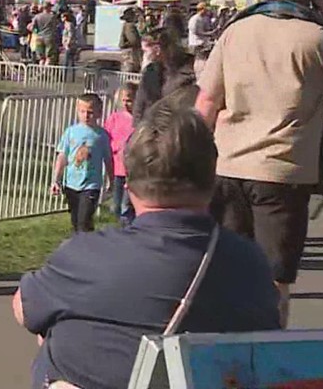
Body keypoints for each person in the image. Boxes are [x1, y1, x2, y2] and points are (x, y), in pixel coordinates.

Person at [16, 101, 282, 389]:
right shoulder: (249, 264)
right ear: (211, 180)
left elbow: (25, 309)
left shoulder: (85, 256)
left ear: (129, 186)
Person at [196, 0, 323, 327]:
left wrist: (192, 156)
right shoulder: (319, 38)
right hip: (283, 171)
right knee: (275, 279)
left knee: (229, 273)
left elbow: (206, 101)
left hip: (228, 166)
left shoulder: (234, 32)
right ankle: (267, 357)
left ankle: (224, 354)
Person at [51, 93, 113, 233]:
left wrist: (112, 180)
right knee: (75, 220)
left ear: (98, 113)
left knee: (84, 220)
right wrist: (56, 180)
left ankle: (86, 246)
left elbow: (108, 160)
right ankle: (82, 244)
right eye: (82, 111)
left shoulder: (101, 136)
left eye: (90, 112)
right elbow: (62, 156)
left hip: (91, 185)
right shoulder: (70, 132)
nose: (86, 115)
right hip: (71, 184)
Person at [133, 28, 196, 122]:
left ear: (157, 49)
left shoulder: (189, 71)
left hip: (177, 127)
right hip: (149, 128)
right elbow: (140, 105)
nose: (144, 56)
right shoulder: (150, 72)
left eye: (145, 51)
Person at [103, 83, 137, 226]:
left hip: (133, 170)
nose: (126, 104)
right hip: (117, 168)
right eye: (123, 100)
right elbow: (106, 138)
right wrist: (116, 147)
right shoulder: (114, 118)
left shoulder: (139, 120)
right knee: (116, 205)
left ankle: (129, 228)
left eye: (129, 100)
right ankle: (119, 227)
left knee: (127, 205)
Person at [186, 2, 214, 77]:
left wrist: (211, 32)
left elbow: (207, 28)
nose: (206, 12)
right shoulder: (194, 19)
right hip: (195, 43)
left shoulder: (205, 18)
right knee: (198, 60)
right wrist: (207, 34)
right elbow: (195, 31)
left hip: (204, 42)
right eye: (205, 10)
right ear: (201, 10)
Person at [119, 8, 142, 73]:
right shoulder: (130, 26)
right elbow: (133, 40)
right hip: (130, 53)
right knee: (130, 69)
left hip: (130, 52)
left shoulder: (128, 26)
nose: (137, 17)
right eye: (136, 16)